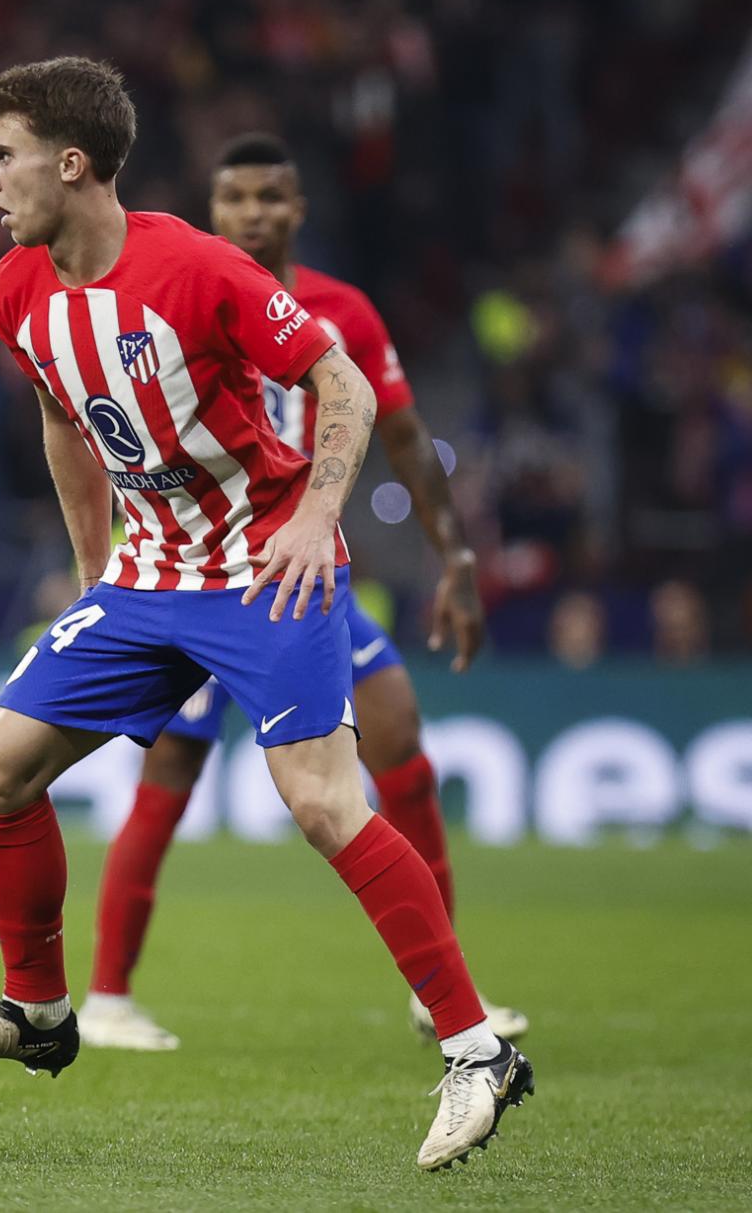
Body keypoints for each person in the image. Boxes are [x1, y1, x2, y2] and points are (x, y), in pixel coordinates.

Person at [0, 58, 532, 1171]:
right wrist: (91, 565)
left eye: (0, 154)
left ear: (70, 163)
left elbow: (340, 382)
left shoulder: (196, 268)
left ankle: (473, 1048)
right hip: (147, 578)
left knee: (318, 802)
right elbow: (66, 421)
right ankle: (40, 1010)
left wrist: (313, 515)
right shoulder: (17, 286)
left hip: (263, 570)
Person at [78, 133, 528, 1053]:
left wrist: (458, 559)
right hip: (198, 574)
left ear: (299, 209)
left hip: (301, 571)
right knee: (171, 769)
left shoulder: (342, 312)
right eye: (236, 196)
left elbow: (403, 437)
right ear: (212, 207)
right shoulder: (174, 289)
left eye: (271, 197)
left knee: (401, 738)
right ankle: (108, 996)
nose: (254, 213)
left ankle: (438, 989)